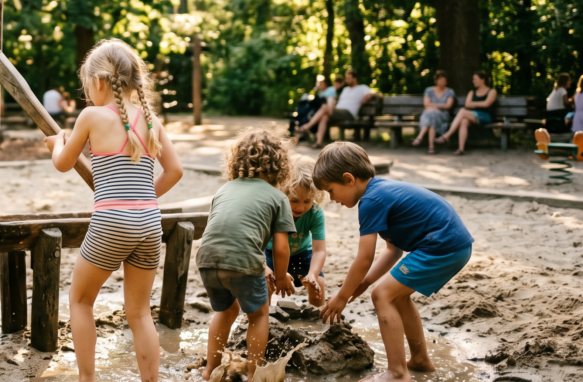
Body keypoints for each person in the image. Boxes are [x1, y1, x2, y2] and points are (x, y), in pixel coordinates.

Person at [43, 39, 182, 382]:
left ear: (99, 81)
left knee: (80, 300)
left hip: (111, 222)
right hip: (149, 223)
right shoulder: (151, 120)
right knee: (140, 312)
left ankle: (87, 379)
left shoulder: (91, 116)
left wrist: (56, 143)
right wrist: (142, 199)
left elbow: (63, 163)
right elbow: (175, 171)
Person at [316, 142, 473, 382]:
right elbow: (393, 250)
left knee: (382, 295)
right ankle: (420, 360)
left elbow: (364, 257)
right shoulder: (380, 191)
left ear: (348, 179)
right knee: (396, 296)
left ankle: (397, 373)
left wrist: (342, 296)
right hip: (452, 245)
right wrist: (365, 282)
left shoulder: (371, 201)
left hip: (442, 246)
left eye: (330, 190)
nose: (332, 198)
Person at [196, 128, 296, 381]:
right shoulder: (278, 197)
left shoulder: (224, 190)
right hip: (241, 261)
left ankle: (210, 371)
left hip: (207, 259)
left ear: (236, 162)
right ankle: (254, 376)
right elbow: (281, 248)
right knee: (259, 314)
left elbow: (226, 231)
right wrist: (281, 277)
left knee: (225, 311)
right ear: (280, 166)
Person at [264, 157, 328, 308]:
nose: (300, 207)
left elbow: (319, 250)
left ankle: (316, 314)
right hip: (271, 253)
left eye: (307, 201)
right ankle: (263, 315)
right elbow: (255, 246)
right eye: (294, 200)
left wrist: (312, 274)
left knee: (318, 283)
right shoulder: (271, 209)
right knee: (264, 284)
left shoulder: (315, 212)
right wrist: (266, 269)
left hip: (301, 253)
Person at [297, 69, 378, 148]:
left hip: (348, 113)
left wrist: (369, 96)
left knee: (325, 107)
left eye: (348, 78)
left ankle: (307, 126)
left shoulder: (362, 87)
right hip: (338, 112)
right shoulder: (345, 89)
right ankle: (319, 143)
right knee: (325, 116)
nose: (346, 80)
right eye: (346, 78)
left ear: (355, 79)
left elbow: (374, 94)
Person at [437, 71, 496, 155]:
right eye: (473, 79)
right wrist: (479, 104)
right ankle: (461, 149)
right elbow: (467, 104)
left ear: (482, 80)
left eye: (475, 79)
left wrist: (473, 104)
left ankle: (447, 135)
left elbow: (487, 104)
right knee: (464, 121)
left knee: (462, 111)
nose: (473, 81)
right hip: (472, 116)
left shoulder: (491, 91)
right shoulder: (472, 92)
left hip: (485, 116)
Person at [411, 70, 455, 154]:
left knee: (432, 114)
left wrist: (433, 106)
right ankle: (431, 147)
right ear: (436, 80)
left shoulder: (450, 92)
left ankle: (420, 137)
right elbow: (426, 104)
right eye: (440, 80)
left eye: (444, 80)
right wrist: (439, 106)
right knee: (432, 118)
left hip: (442, 115)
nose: (442, 82)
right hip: (428, 115)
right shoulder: (429, 90)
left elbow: (448, 106)